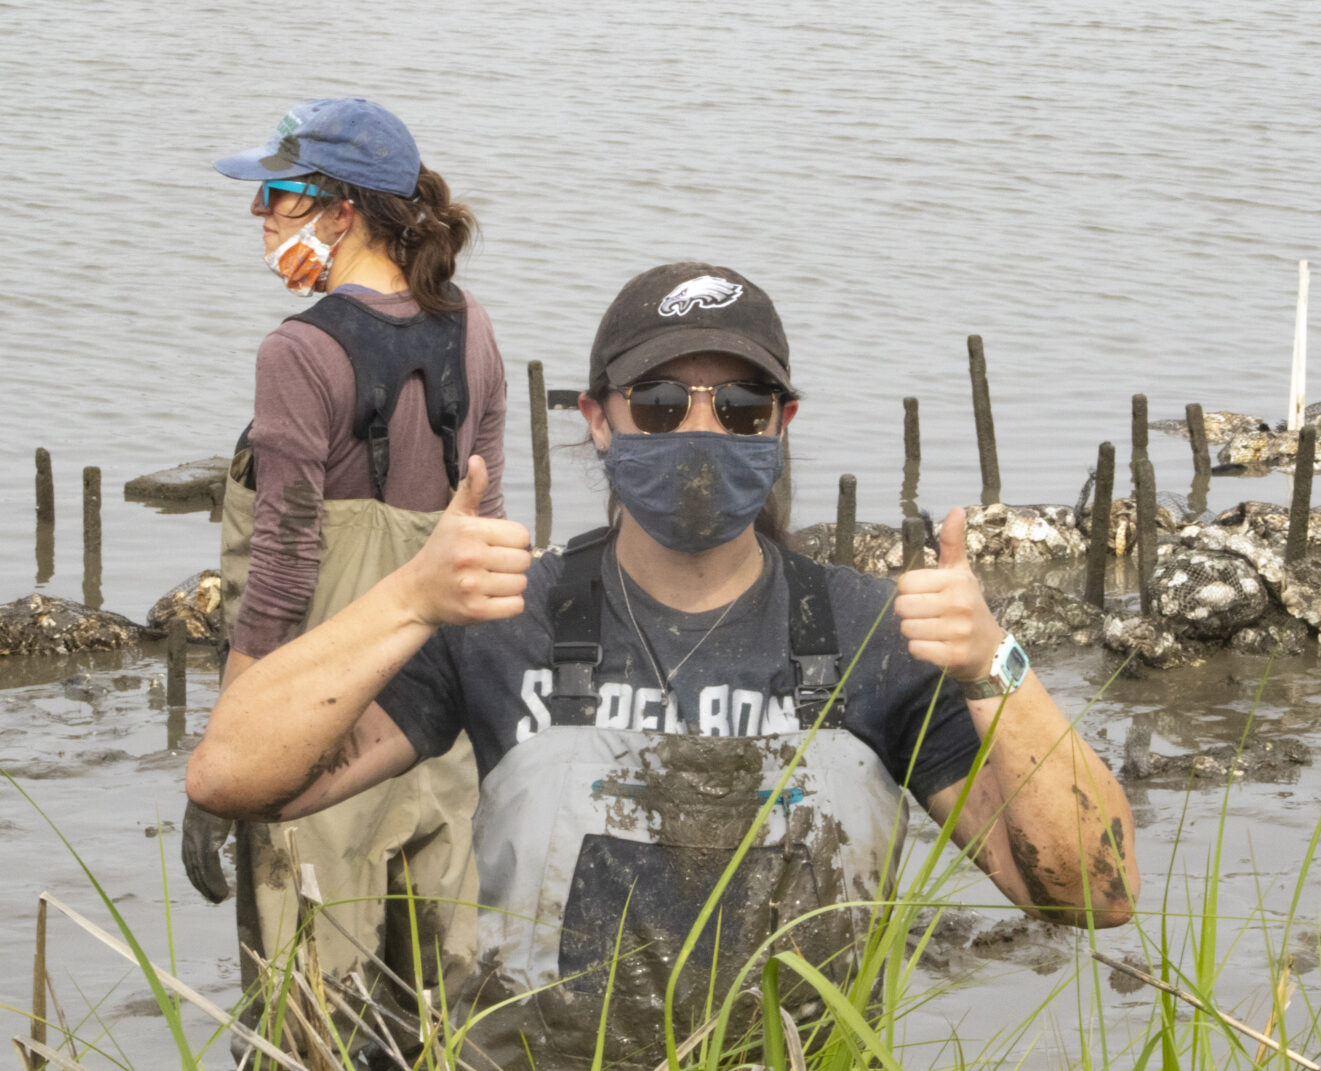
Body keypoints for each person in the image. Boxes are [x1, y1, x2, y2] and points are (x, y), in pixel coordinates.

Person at [187, 262, 1137, 1069]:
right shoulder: (507, 622)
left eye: (741, 407)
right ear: (598, 419)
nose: (699, 432)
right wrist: (406, 599)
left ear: (782, 422)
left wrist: (994, 661)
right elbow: (233, 774)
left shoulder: (866, 634)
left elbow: (1095, 891)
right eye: (658, 402)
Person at [180, 97, 507, 1051]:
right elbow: (485, 538)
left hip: (318, 736)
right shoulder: (474, 329)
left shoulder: (299, 351)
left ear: (342, 211)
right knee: (443, 1019)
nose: (259, 215)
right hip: (435, 732)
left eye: (278, 194)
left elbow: (282, 575)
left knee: (309, 1025)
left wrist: (227, 763)